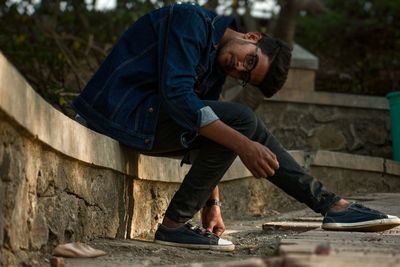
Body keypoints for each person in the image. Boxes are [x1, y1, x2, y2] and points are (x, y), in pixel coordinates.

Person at [72, 3, 400, 252]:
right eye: (250, 61)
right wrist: (244, 145)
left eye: (245, 76)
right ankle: (330, 205)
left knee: (232, 124)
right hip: (117, 112)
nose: (239, 68)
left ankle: (174, 225)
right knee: (239, 121)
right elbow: (177, 98)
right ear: (252, 37)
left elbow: (205, 127)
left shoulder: (217, 62)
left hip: (142, 119)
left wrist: (212, 204)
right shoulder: (191, 21)